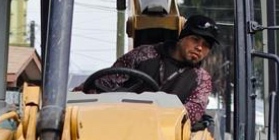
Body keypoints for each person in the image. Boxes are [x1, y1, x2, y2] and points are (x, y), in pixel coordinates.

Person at [77, 13, 218, 124]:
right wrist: (79, 96)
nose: (199, 47)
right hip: (118, 122)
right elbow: (105, 82)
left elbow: (190, 114)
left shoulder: (201, 80)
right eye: (195, 39)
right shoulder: (145, 54)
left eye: (206, 45)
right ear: (182, 37)